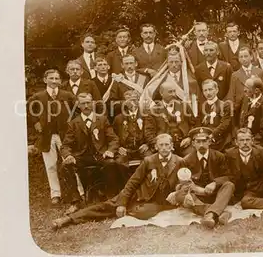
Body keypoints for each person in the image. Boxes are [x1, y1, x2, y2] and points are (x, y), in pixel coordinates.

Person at [51, 134, 184, 230]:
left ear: (172, 146)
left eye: (167, 145)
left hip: (158, 202)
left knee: (145, 212)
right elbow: (133, 182)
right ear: (156, 147)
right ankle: (69, 219)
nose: (164, 148)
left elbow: (184, 184)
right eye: (161, 145)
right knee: (106, 206)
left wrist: (177, 194)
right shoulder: (149, 160)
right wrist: (122, 203)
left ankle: (131, 210)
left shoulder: (179, 161)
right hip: (138, 195)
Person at [59, 93, 120, 215]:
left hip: (101, 155)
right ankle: (75, 201)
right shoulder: (74, 123)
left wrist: (110, 151)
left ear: (93, 103)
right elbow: (65, 145)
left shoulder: (102, 119)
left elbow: (113, 139)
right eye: (83, 103)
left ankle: (111, 198)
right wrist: (68, 156)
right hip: (83, 156)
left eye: (88, 102)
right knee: (66, 166)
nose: (86, 105)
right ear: (78, 105)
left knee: (111, 163)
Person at [27, 69, 81, 204]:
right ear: (45, 80)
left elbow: (78, 110)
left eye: (57, 78)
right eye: (51, 78)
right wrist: (36, 123)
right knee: (50, 165)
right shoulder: (38, 97)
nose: (54, 81)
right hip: (47, 136)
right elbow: (29, 111)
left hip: (65, 136)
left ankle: (80, 190)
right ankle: (55, 194)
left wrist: (73, 125)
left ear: (60, 81)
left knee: (71, 162)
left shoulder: (67, 95)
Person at [177, 127, 235, 229]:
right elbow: (181, 183)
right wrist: (188, 193)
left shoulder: (219, 156)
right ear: (193, 143)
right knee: (181, 194)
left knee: (229, 185)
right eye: (198, 142)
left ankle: (209, 215)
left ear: (209, 142)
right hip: (199, 196)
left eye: (204, 141)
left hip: (217, 194)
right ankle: (219, 213)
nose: (201, 145)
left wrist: (215, 183)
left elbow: (229, 176)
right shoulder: (186, 160)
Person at [113, 90, 153, 187]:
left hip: (142, 148)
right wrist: (118, 147)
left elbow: (152, 132)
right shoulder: (119, 118)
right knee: (119, 162)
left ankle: (146, 187)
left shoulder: (146, 115)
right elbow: (114, 136)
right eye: (128, 100)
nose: (132, 102)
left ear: (139, 100)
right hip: (126, 149)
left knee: (150, 160)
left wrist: (147, 144)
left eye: (135, 100)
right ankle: (127, 187)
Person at [145, 81, 196, 157]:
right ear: (161, 93)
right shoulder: (153, 111)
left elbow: (194, 124)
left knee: (192, 157)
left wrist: (190, 138)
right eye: (170, 92)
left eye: (174, 91)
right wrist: (160, 145)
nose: (173, 94)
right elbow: (149, 132)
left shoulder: (184, 106)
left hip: (184, 145)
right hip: (164, 146)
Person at [237, 77, 263, 148]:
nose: (244, 90)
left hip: (258, 141)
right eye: (244, 86)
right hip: (243, 139)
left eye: (247, 87)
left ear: (256, 91)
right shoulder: (245, 99)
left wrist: (250, 142)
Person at [196, 79, 232, 151]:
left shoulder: (225, 105)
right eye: (205, 90)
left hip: (220, 140)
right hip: (204, 139)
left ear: (216, 90)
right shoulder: (201, 106)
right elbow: (199, 123)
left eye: (210, 89)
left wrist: (212, 135)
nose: (208, 93)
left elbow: (224, 124)